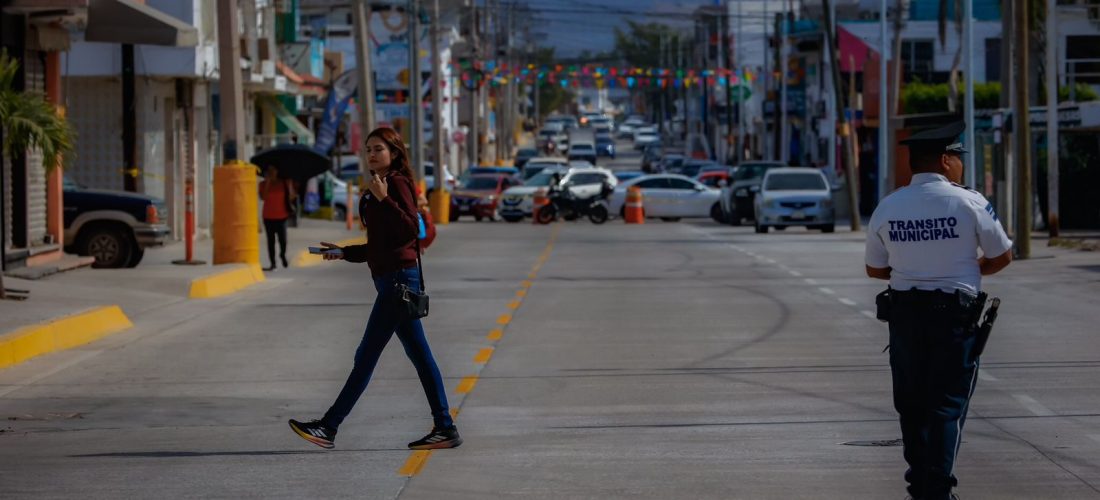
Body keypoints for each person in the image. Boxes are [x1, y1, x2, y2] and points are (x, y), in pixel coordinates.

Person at [864, 121, 1013, 500]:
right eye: (958, 158)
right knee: (947, 406)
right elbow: (1002, 255)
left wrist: (913, 267)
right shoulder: (969, 202)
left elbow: (875, 269)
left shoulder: (889, 205)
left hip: (905, 318)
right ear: (946, 161)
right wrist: (966, 270)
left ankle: (920, 487)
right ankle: (938, 489)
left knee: (911, 405)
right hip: (953, 318)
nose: (961, 165)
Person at [289, 127, 461, 451]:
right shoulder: (374, 188)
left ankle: (329, 426)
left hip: (398, 282)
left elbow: (412, 229)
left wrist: (384, 199)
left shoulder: (395, 183)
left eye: (378, 149)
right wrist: (344, 252)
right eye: (368, 149)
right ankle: (445, 426)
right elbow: (379, 245)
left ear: (394, 153)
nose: (371, 154)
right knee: (421, 356)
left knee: (366, 356)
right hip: (391, 279)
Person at [258, 165, 296, 271]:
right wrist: (268, 182)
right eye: (269, 170)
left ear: (277, 171)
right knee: (271, 241)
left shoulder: (283, 183)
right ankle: (272, 263)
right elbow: (263, 197)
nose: (272, 172)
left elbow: (292, 197)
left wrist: (290, 186)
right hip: (268, 216)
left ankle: (282, 255)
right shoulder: (262, 184)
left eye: (273, 170)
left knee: (283, 240)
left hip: (282, 216)